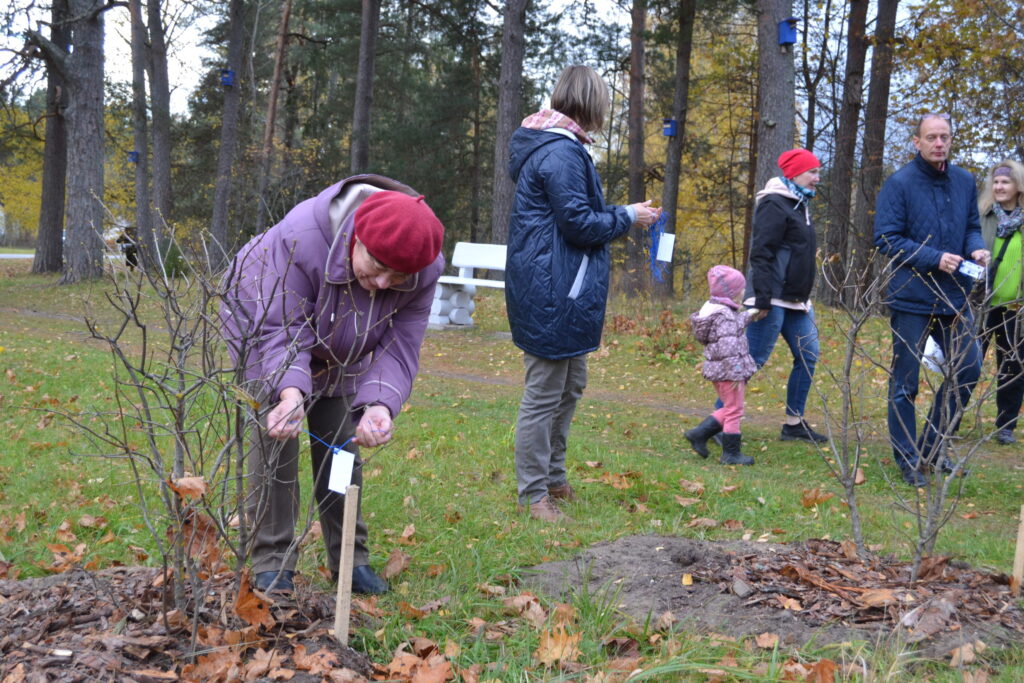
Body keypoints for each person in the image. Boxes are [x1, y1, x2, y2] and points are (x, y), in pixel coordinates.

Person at [221, 176, 444, 594]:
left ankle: (349, 560)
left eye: (397, 277)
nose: (383, 283)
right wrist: (290, 393)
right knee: (277, 441)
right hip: (261, 323)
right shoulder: (301, 238)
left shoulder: (424, 268)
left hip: (344, 338)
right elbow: (281, 330)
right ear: (357, 237)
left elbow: (401, 345)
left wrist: (379, 405)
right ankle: (273, 562)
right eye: (377, 266)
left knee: (341, 444)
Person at [505, 65, 660, 523]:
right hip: (551, 290)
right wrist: (626, 217)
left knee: (569, 386)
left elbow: (574, 213)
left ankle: (553, 479)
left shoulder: (561, 147)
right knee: (544, 394)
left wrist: (622, 211)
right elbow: (579, 225)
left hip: (560, 288)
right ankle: (533, 495)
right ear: (591, 104)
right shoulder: (561, 152)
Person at [874, 113, 989, 487]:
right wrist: (933, 257)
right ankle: (908, 459)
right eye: (931, 137)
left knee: (968, 368)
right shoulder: (900, 183)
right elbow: (886, 238)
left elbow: (971, 227)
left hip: (954, 297)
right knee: (905, 384)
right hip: (911, 297)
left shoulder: (964, 180)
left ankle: (932, 449)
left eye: (944, 137)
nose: (939, 143)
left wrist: (976, 249)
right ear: (917, 142)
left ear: (951, 140)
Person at [734, 148, 826, 444]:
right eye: (812, 172)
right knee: (753, 360)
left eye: (818, 171)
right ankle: (719, 422)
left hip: (796, 300)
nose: (817, 178)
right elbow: (761, 253)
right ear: (795, 173)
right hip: (771, 298)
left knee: (808, 355)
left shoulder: (800, 203)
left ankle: (793, 423)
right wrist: (761, 298)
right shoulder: (774, 203)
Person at [685, 266, 758, 466]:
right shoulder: (724, 315)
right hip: (729, 372)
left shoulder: (716, 310)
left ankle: (699, 434)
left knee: (730, 407)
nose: (744, 293)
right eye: (741, 290)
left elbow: (732, 327)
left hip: (719, 370)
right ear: (732, 292)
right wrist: (736, 373)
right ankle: (730, 453)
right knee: (734, 410)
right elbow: (728, 347)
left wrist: (750, 314)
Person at [978, 160, 1024, 445]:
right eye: (995, 182)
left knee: (1013, 367)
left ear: (1018, 185)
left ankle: (1005, 426)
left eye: (1005, 181)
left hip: (1016, 308)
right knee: (967, 363)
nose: (999, 186)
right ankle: (950, 419)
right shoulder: (982, 216)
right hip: (981, 306)